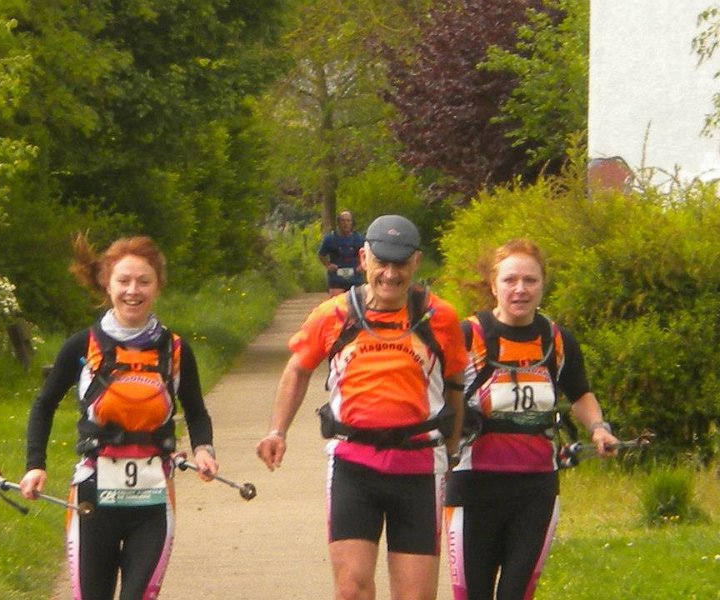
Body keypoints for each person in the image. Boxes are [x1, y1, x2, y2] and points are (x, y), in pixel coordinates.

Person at [257, 214, 468, 600]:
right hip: (354, 466)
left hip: (419, 467)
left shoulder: (440, 317)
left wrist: (453, 450)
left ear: (416, 262)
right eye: (381, 263)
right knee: (351, 589)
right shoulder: (334, 314)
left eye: (400, 265)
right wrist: (277, 431)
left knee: (416, 596)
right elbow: (298, 369)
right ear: (363, 258)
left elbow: (455, 384)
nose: (390, 274)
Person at [19, 234, 218, 600]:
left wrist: (204, 449)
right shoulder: (82, 345)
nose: (133, 291)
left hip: (153, 500)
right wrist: (35, 466)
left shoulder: (175, 350)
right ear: (107, 284)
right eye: (123, 281)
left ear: (158, 286)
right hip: (93, 497)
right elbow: (44, 405)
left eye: (144, 281)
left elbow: (196, 410)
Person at [444, 239, 619, 600]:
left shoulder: (558, 340)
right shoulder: (467, 336)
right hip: (473, 487)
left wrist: (599, 429)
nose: (520, 289)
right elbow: (436, 396)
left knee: (517, 593)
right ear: (494, 285)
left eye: (530, 280)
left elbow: (580, 394)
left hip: (536, 490)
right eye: (510, 280)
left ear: (543, 285)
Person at [318, 210, 366, 296]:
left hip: (355, 278)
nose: (345, 223)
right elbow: (321, 254)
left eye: (348, 221)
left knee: (357, 302)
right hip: (336, 279)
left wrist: (362, 265)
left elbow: (367, 254)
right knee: (336, 303)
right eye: (343, 221)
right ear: (338, 223)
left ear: (352, 223)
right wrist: (328, 265)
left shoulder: (359, 239)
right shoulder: (330, 238)